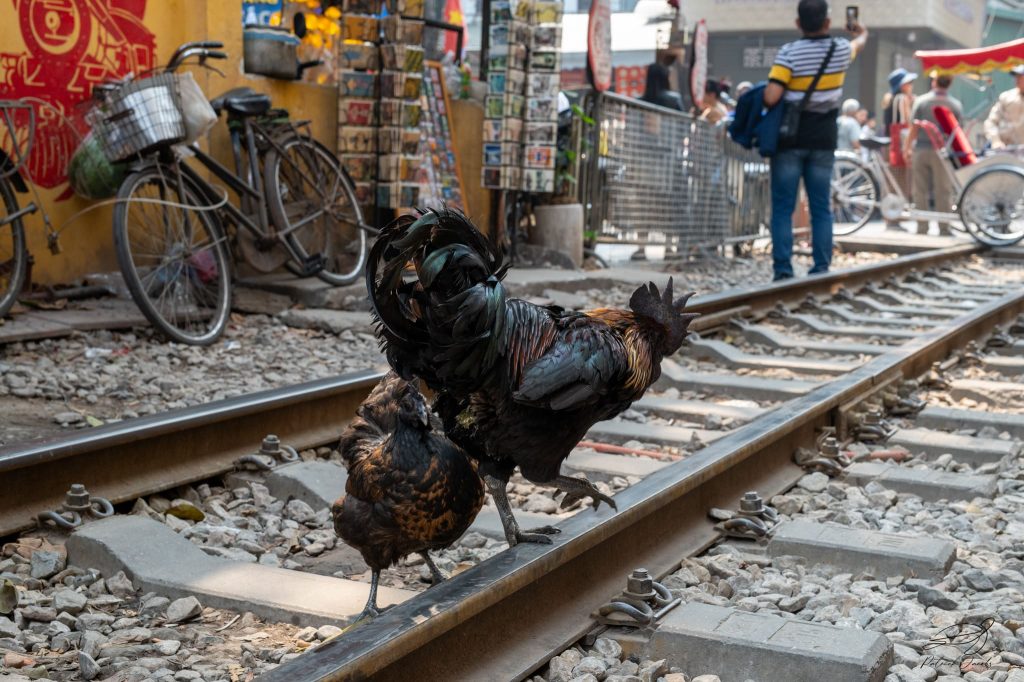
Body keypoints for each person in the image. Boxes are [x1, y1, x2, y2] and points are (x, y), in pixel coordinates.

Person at [763, 0, 868, 281]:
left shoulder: (789, 53)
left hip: (790, 140)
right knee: (821, 206)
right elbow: (859, 42)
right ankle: (821, 268)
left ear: (798, 23)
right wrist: (860, 30)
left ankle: (783, 270)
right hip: (823, 141)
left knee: (784, 208)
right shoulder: (840, 49)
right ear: (827, 22)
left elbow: (771, 96)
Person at [903, 72, 963, 236]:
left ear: (934, 82)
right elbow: (957, 133)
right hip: (943, 153)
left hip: (921, 149)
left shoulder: (921, 101)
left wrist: (907, 148)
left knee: (919, 189)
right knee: (943, 190)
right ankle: (944, 227)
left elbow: (913, 128)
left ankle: (922, 227)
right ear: (949, 84)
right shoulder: (955, 104)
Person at [881, 68, 916, 230]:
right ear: (902, 85)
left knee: (891, 182)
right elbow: (908, 122)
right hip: (898, 144)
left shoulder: (889, 98)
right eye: (909, 82)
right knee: (899, 181)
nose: (911, 85)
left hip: (888, 144)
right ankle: (894, 217)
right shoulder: (902, 98)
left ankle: (891, 217)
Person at [984, 64, 1024, 149]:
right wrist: (996, 140)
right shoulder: (1006, 97)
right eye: (1016, 76)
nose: (1017, 79)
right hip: (1006, 151)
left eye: (1020, 76)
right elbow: (990, 122)